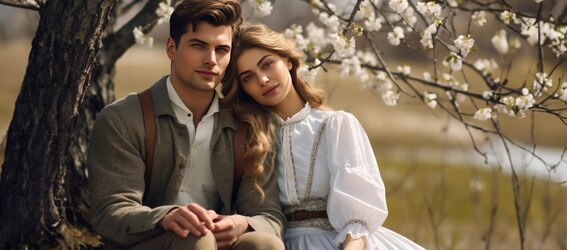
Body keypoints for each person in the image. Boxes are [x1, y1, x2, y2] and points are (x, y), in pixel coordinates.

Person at [88, 1, 286, 249]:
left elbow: (270, 216)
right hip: (151, 242)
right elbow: (110, 211)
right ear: (172, 48)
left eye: (222, 50)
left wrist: (242, 224)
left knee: (265, 244)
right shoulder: (123, 119)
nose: (211, 60)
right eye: (198, 45)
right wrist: (164, 217)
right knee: (196, 239)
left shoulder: (247, 127)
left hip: (218, 241)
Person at [223, 23, 425, 250]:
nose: (263, 79)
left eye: (267, 65)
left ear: (288, 61)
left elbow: (357, 222)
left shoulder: (336, 125)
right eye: (248, 77)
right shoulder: (249, 137)